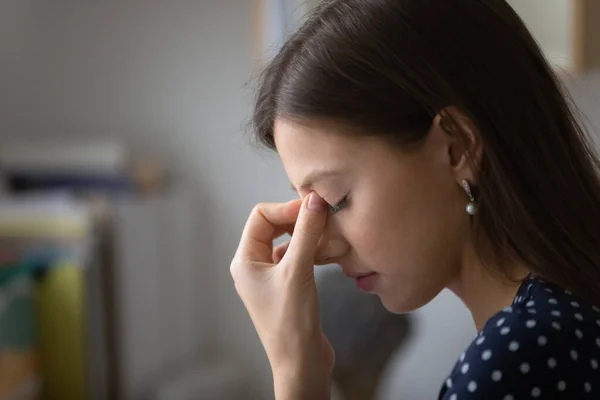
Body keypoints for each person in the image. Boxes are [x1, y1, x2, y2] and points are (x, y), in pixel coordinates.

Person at [229, 0, 600, 398]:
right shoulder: (557, 325)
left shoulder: (520, 359)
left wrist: (294, 372)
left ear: (457, 147)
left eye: (333, 200)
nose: (320, 247)